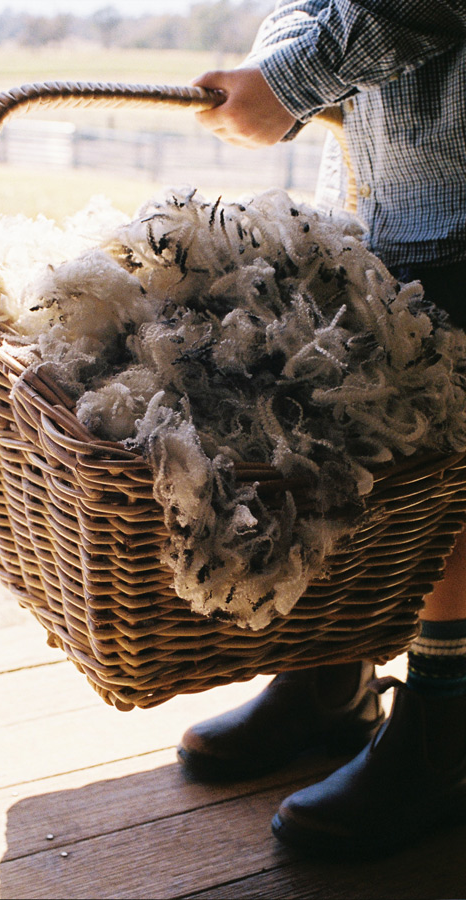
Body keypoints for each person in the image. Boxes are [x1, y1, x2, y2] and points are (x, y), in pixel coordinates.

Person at [177, 0, 466, 858]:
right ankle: (331, 668)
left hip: (457, 196)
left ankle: (450, 723)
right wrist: (286, 68)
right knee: (351, 423)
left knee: (449, 465)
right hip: (381, 182)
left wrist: (291, 80)